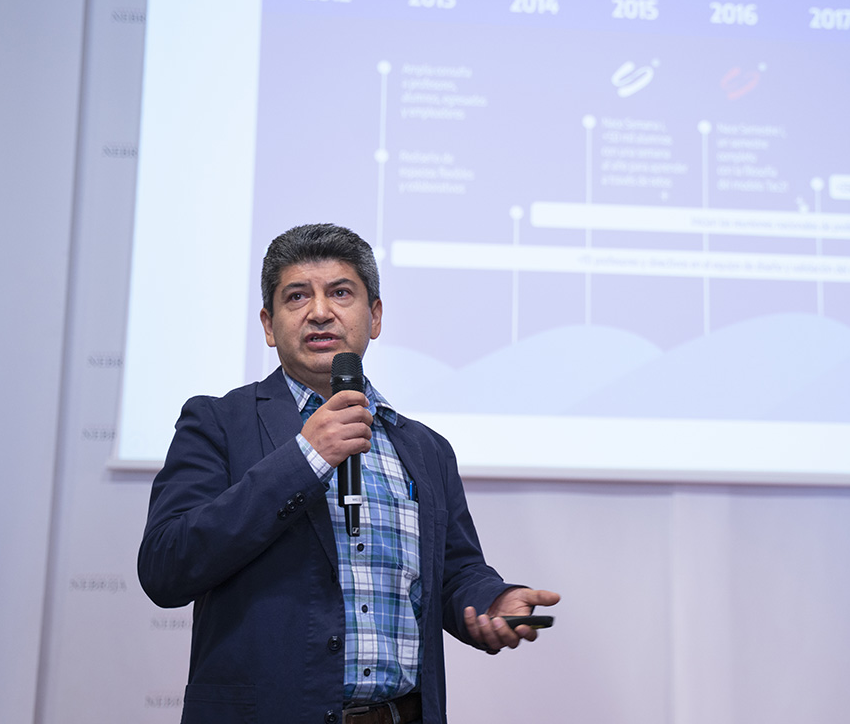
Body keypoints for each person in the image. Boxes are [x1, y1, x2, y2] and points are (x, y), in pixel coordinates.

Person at [138, 223, 559, 724]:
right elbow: (166, 567)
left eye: (340, 292)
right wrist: (306, 457)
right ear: (269, 326)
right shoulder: (218, 423)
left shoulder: (425, 449)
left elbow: (454, 574)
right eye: (297, 296)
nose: (320, 311)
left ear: (374, 316)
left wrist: (491, 600)